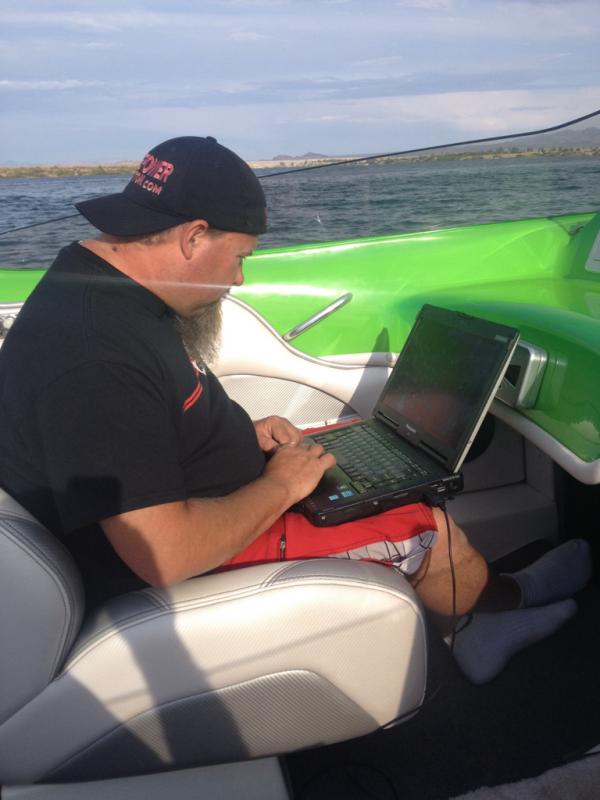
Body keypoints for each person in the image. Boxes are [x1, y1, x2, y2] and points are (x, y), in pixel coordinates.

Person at [0, 136, 591, 685]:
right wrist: (282, 486)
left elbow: (140, 427)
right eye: (240, 256)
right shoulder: (95, 355)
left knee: (371, 463)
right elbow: (166, 553)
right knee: (425, 526)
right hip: (177, 556)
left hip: (203, 497)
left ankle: (489, 601)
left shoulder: (99, 290)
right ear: (193, 237)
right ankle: (488, 617)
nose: (238, 279)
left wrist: (245, 435)